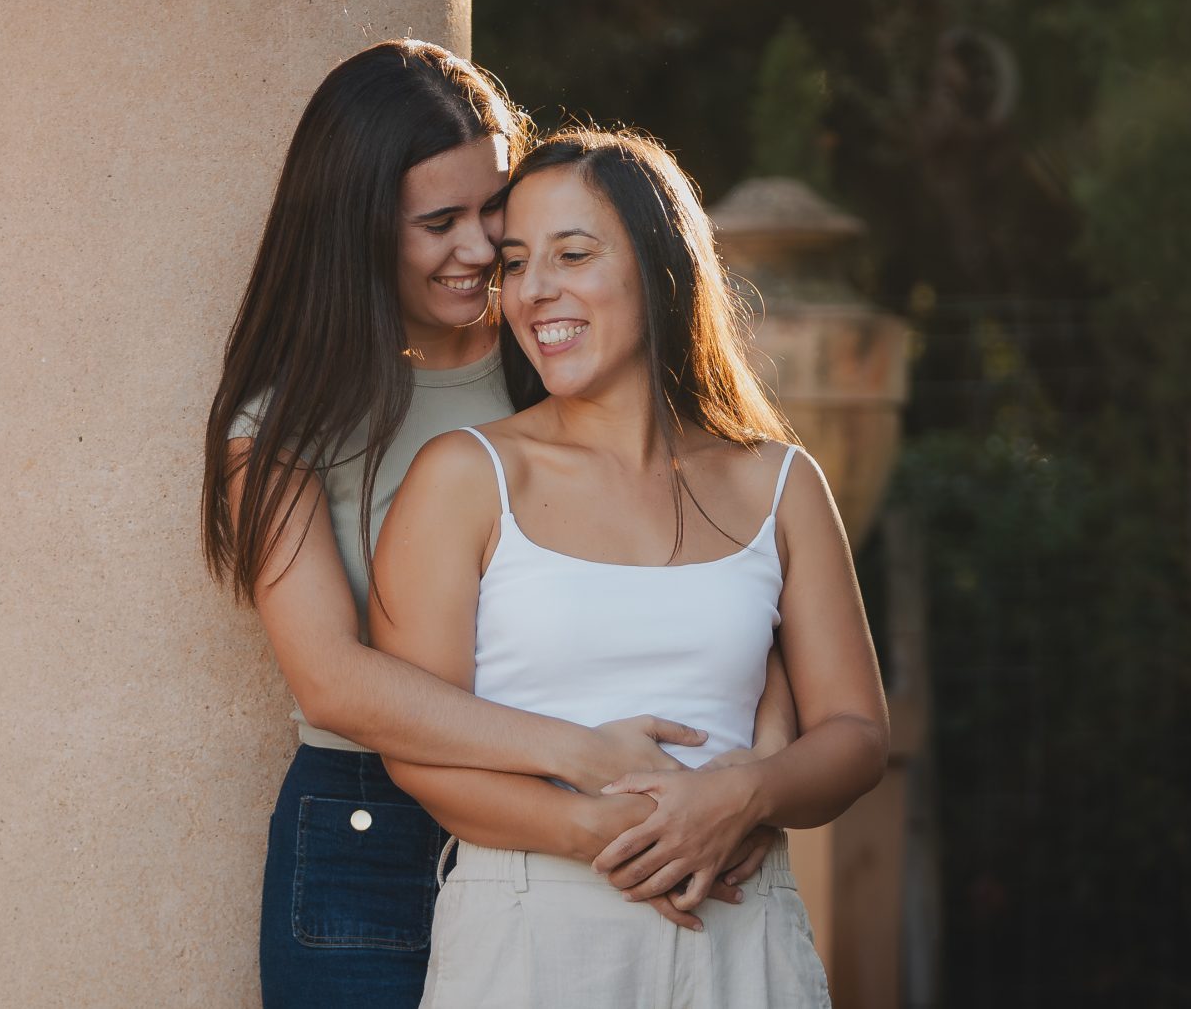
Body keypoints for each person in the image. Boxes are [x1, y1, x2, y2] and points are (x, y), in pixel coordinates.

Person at [201, 42, 783, 1007]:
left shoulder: (557, 358)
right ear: (358, 225)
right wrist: (576, 755)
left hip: (600, 835)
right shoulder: (282, 426)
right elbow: (331, 677)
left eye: (494, 210)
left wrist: (752, 781)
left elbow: (738, 575)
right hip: (370, 847)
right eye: (440, 222)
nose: (480, 249)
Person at [370, 128, 891, 1007]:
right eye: (516, 262)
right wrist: (597, 827)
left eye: (572, 254)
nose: (534, 289)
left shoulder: (780, 481)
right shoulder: (465, 476)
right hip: (534, 930)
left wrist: (744, 796)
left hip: (742, 930)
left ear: (660, 268)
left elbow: (856, 733)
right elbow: (416, 747)